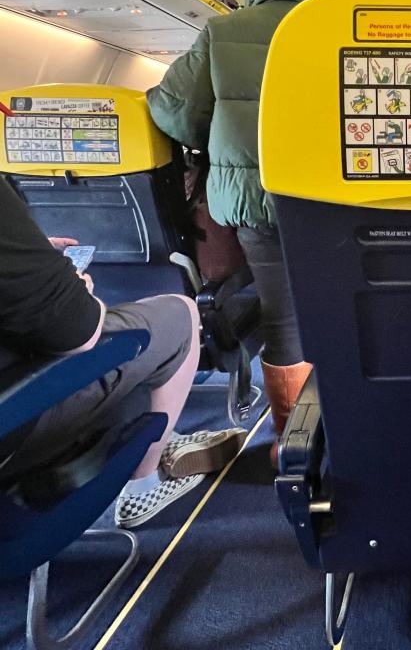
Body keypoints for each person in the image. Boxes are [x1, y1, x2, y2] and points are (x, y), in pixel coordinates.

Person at [146, 0, 326, 466]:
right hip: (333, 199)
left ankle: (290, 448)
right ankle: (357, 419)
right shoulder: (335, 22)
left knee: (283, 318)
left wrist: (218, 132)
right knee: (344, 306)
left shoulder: (224, 31)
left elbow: (174, 112)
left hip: (256, 198)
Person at [0, 180, 244, 528]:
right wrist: (75, 290)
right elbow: (80, 332)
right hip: (16, 415)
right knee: (179, 315)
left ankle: (150, 436)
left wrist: (31, 259)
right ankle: (146, 480)